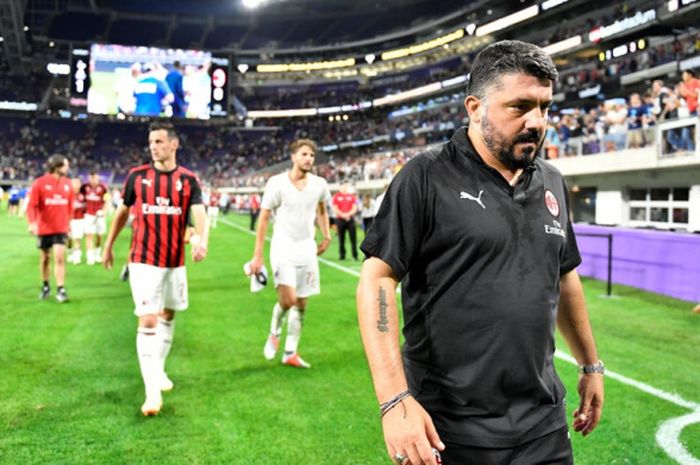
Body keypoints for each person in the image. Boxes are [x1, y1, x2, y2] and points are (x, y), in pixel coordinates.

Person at [356, 40, 604, 465]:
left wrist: (590, 363)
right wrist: (394, 400)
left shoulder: (552, 182)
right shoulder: (426, 176)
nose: (536, 122)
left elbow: (563, 277)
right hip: (448, 427)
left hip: (543, 424)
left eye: (544, 107)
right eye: (520, 106)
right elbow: (377, 278)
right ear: (474, 107)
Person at [102, 121, 209, 416]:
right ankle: (151, 394)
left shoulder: (188, 180)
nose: (154, 146)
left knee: (168, 314)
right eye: (152, 141)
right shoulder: (136, 177)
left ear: (174, 145)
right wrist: (109, 245)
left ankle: (158, 369)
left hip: (174, 261)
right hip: (143, 259)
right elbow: (123, 211)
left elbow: (199, 212)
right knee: (148, 319)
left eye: (160, 141)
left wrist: (202, 241)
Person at [248, 139, 331, 369]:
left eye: (312, 155)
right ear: (293, 157)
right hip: (283, 246)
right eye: (304, 154)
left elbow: (322, 210)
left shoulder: (319, 184)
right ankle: (274, 331)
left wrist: (326, 235)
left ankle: (290, 352)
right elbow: (264, 217)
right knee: (288, 299)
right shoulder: (277, 183)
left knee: (302, 302)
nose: (309, 159)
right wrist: (258, 255)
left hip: (307, 247)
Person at [27, 154, 73, 303]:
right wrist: (32, 222)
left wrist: (69, 224)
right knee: (45, 258)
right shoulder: (40, 183)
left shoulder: (68, 184)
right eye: (65, 165)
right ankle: (46, 285)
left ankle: (61, 288)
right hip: (45, 228)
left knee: (59, 257)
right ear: (57, 167)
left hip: (61, 228)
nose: (68, 168)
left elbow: (70, 206)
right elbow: (32, 205)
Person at [81, 170, 108, 265]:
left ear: (98, 178)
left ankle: (97, 253)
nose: (93, 180)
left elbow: (107, 199)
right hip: (88, 214)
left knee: (99, 236)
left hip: (99, 215)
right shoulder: (84, 187)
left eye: (95, 178)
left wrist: (104, 211)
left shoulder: (103, 187)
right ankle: (90, 257)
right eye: (91, 178)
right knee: (89, 235)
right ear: (89, 178)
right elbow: (81, 198)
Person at [331, 182, 359, 260]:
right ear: (340, 187)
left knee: (353, 239)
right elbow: (335, 208)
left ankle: (354, 255)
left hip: (350, 220)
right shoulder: (336, 196)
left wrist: (348, 215)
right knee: (341, 239)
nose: (344, 188)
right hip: (340, 220)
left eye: (346, 186)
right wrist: (343, 215)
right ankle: (342, 255)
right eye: (343, 186)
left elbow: (355, 208)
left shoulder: (352, 197)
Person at [68, 178, 87, 265]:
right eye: (74, 183)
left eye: (77, 183)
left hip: (79, 220)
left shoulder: (84, 195)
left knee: (77, 238)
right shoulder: (67, 195)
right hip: (68, 220)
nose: (75, 185)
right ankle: (70, 252)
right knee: (69, 239)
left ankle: (77, 257)